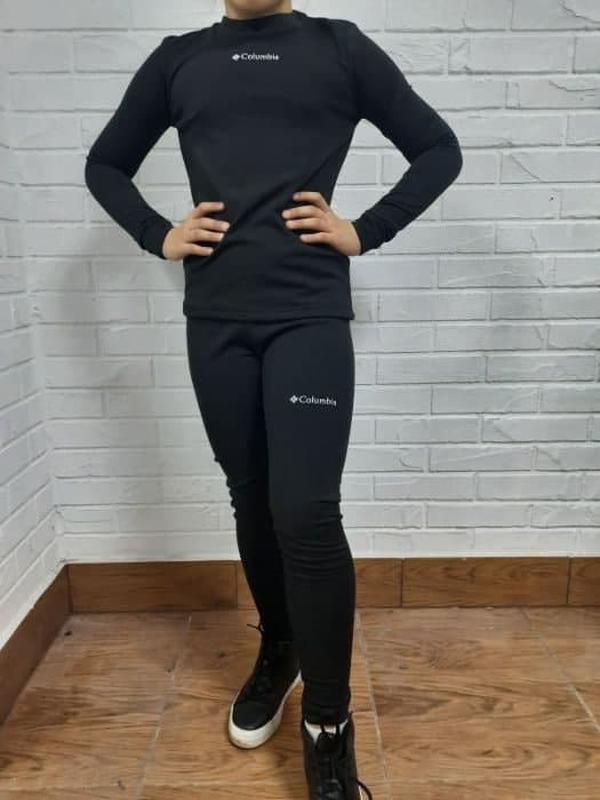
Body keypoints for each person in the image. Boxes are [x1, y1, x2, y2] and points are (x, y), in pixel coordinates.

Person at [84, 1, 463, 797]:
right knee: (251, 499)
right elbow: (105, 164)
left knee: (305, 512)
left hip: (307, 317)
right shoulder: (179, 58)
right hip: (216, 323)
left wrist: (369, 228)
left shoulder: (338, 48)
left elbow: (438, 149)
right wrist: (157, 233)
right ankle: (281, 649)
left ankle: (327, 724)